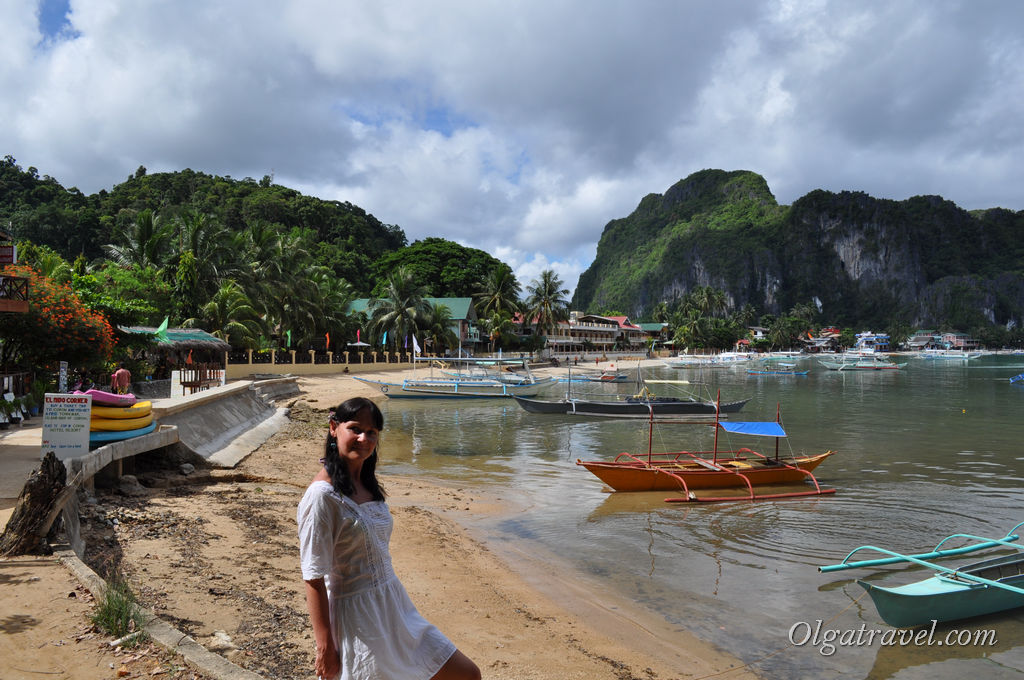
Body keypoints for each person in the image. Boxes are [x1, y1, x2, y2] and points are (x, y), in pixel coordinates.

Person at [297, 397, 480, 680]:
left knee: (467, 674)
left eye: (371, 432)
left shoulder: (366, 483)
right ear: (334, 428)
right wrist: (325, 647)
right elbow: (313, 575)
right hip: (358, 619)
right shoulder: (322, 497)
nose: (364, 438)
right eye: (355, 428)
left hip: (394, 606)